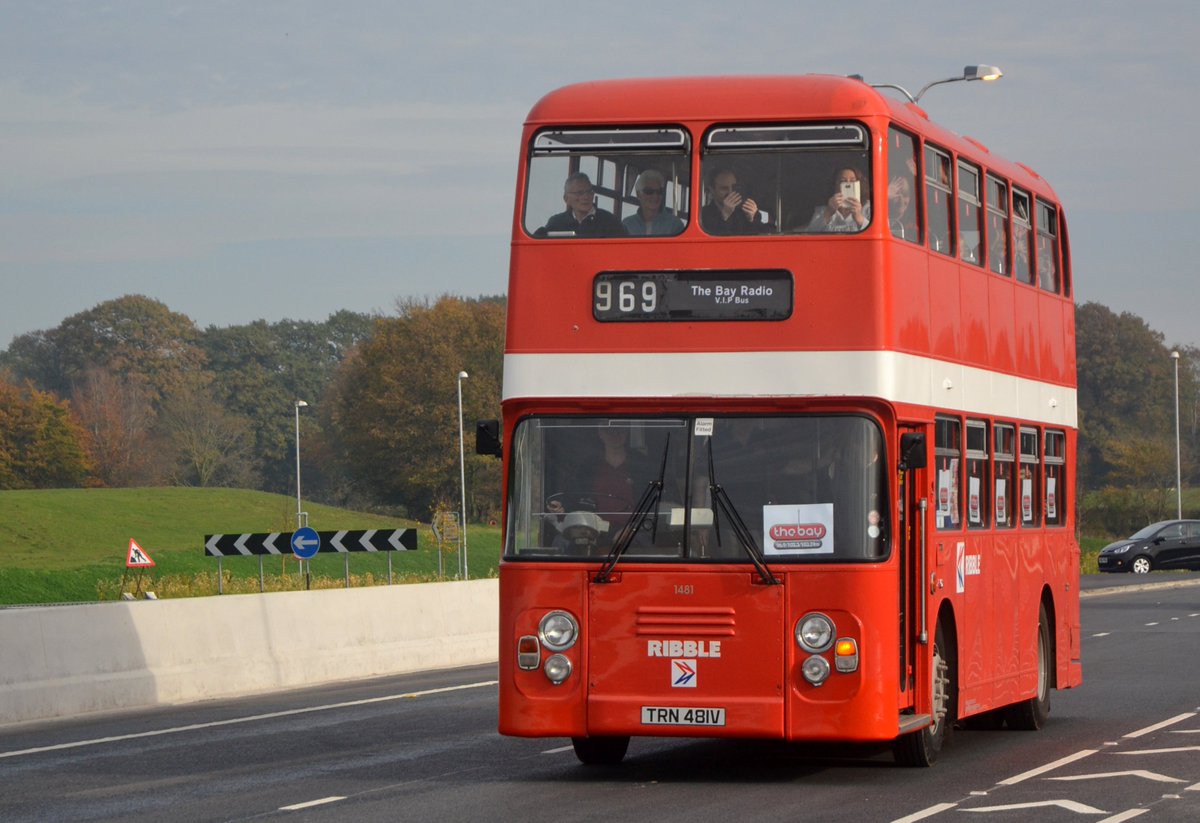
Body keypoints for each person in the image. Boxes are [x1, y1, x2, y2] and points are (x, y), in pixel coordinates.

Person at [542, 172, 626, 237]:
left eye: (589, 192)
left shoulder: (610, 221)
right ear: (566, 199)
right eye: (579, 193)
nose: (586, 197)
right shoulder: (556, 223)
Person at [700, 167, 763, 235]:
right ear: (712, 190)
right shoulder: (703, 214)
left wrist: (752, 219)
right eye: (724, 188)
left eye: (733, 187)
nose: (730, 192)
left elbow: (757, 240)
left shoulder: (743, 212)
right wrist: (725, 216)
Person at [621, 170, 685, 236]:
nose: (655, 196)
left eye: (659, 192)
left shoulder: (675, 225)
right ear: (638, 194)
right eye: (649, 191)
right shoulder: (627, 225)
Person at [807, 167, 870, 233]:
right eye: (843, 181)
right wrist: (828, 212)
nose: (848, 184)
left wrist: (859, 217)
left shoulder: (868, 208)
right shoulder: (822, 209)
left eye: (852, 181)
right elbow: (810, 232)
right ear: (835, 185)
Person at [888, 157, 918, 241]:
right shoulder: (874, 216)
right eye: (896, 193)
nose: (901, 198)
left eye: (905, 194)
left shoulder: (914, 228)